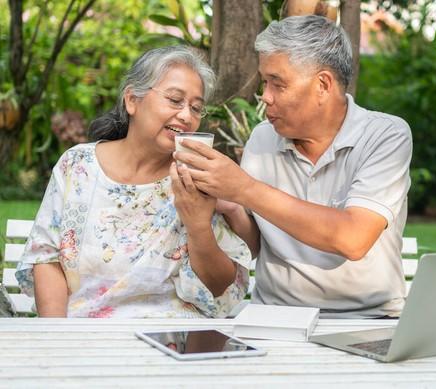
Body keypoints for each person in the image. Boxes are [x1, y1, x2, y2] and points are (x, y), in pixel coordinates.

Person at [173, 16, 412, 319]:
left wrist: (244, 189)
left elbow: (353, 239)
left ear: (323, 84)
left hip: (369, 318)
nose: (265, 97)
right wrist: (231, 206)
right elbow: (254, 246)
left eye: (278, 83)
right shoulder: (263, 138)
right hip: (275, 318)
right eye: (264, 82)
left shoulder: (385, 135)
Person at [16, 46, 251, 318]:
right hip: (78, 338)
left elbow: (219, 285)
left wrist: (198, 224)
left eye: (196, 108)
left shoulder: (195, 177)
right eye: (175, 100)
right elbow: (48, 259)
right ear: (131, 100)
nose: (187, 116)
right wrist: (58, 341)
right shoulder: (78, 166)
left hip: (167, 341)